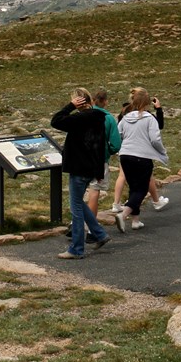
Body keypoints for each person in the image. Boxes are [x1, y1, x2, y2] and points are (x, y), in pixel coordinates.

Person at [50, 88, 111, 258]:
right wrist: (98, 170)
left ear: (78, 101)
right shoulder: (98, 117)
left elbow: (55, 121)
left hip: (79, 168)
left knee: (75, 208)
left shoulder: (79, 119)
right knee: (79, 203)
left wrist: (69, 106)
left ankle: (76, 249)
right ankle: (99, 234)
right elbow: (99, 145)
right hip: (91, 168)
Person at [67, 88, 122, 242]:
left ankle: (77, 227)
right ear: (105, 101)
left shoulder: (79, 116)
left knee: (76, 198)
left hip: (79, 162)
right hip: (99, 161)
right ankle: (93, 231)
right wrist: (108, 152)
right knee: (94, 191)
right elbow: (116, 144)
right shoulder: (107, 118)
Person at [115, 87, 169, 233]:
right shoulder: (149, 119)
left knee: (133, 187)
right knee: (142, 188)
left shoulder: (125, 118)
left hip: (125, 156)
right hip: (142, 157)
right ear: (147, 103)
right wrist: (161, 152)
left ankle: (135, 220)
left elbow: (118, 135)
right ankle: (124, 214)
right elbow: (155, 139)